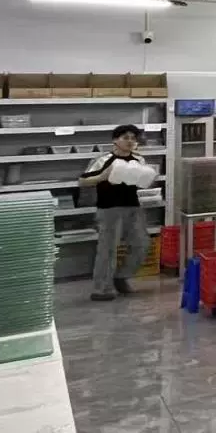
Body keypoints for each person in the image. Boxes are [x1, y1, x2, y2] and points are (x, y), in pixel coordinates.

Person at [80, 124, 151, 301]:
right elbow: (82, 181)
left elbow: (142, 181)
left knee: (141, 244)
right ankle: (101, 289)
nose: (130, 141)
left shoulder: (138, 160)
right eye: (125, 137)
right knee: (108, 250)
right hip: (109, 209)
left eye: (133, 138)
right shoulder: (104, 160)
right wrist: (102, 177)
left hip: (133, 208)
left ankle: (121, 277)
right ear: (115, 140)